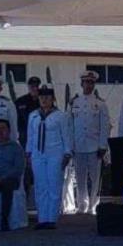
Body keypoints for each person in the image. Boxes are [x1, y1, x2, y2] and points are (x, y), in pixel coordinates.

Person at [26, 87, 72, 229]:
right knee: (40, 186)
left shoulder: (61, 116)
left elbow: (66, 136)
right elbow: (31, 136)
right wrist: (28, 152)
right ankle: (42, 218)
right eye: (41, 97)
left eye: (47, 97)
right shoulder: (33, 115)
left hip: (55, 154)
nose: (44, 100)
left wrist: (67, 153)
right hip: (37, 154)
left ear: (53, 99)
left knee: (54, 185)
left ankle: (51, 219)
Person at [68, 71, 109, 215]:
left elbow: (104, 126)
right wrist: (70, 145)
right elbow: (70, 125)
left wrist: (103, 146)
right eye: (86, 82)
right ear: (82, 84)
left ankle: (93, 205)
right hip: (79, 146)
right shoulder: (74, 102)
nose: (89, 85)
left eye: (91, 82)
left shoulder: (100, 104)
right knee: (80, 178)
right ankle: (82, 204)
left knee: (95, 178)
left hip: (94, 146)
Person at [14, 76, 42, 147]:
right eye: (32, 86)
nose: (35, 88)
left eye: (37, 86)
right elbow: (15, 119)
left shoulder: (44, 101)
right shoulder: (20, 101)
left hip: (41, 136)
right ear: (28, 87)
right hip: (25, 137)